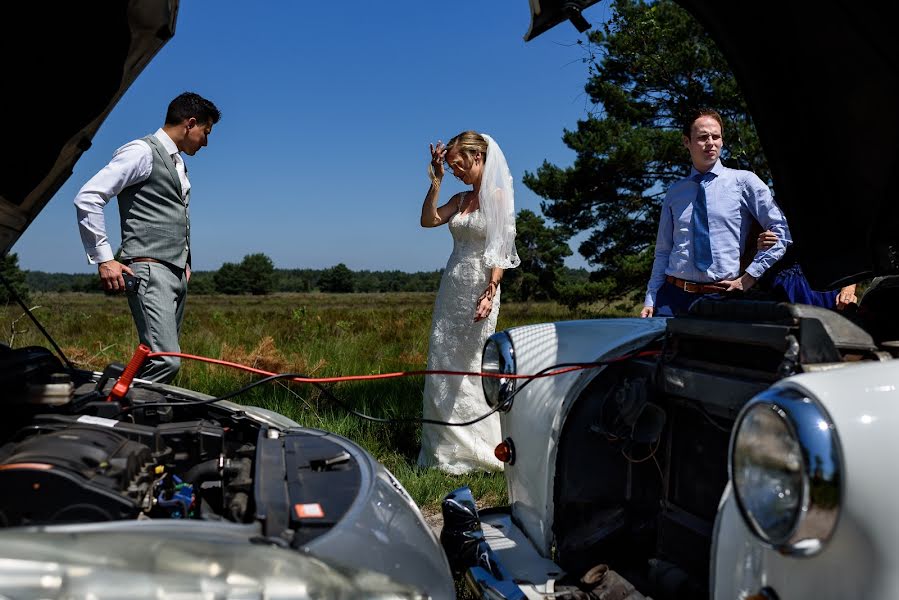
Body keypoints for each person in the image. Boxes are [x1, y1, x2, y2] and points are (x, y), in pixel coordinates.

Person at [74, 92, 221, 383]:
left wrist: (183, 265)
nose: (206, 141)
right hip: (150, 270)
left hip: (174, 274)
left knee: (165, 358)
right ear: (190, 124)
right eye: (206, 132)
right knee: (165, 361)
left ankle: (131, 414)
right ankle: (107, 410)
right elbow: (88, 197)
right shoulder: (141, 151)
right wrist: (105, 259)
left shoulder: (178, 163)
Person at [417, 131, 520, 474]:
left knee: (474, 364)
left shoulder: (499, 196)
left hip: (481, 287)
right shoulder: (460, 200)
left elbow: (501, 250)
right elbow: (428, 220)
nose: (457, 171)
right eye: (452, 167)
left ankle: (482, 450)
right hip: (452, 287)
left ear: (478, 157)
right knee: (442, 357)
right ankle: (442, 450)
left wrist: (490, 292)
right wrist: (437, 182)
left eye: (459, 164)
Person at [641, 108, 790, 317]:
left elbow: (782, 231)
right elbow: (664, 250)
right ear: (686, 142)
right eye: (702, 137)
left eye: (716, 136)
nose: (710, 142)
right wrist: (651, 297)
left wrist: (749, 278)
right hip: (672, 299)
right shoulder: (675, 192)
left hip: (722, 298)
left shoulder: (744, 182)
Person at [755, 230, 857, 309]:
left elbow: (850, 247)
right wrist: (761, 245)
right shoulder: (772, 205)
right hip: (779, 284)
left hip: (823, 287)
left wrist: (848, 288)